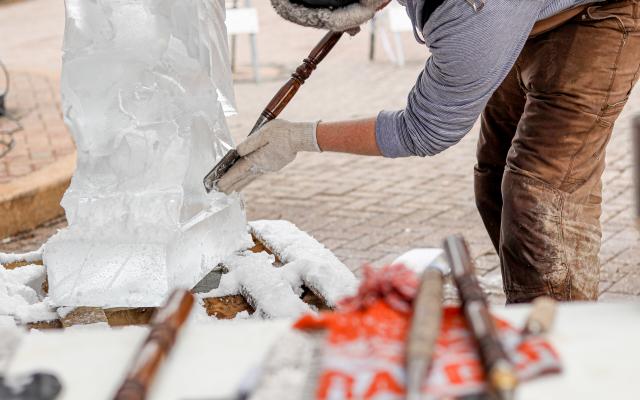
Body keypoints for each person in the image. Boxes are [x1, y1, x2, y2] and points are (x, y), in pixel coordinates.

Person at [217, 0, 640, 303]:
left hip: (600, 14)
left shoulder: (471, 18)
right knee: (493, 178)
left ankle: (559, 338)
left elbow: (425, 130)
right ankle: (531, 298)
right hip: (528, 17)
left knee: (538, 192)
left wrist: (302, 137)